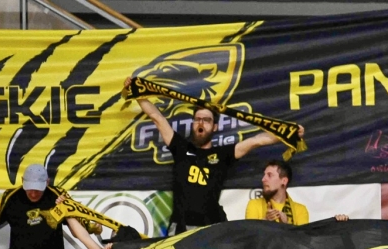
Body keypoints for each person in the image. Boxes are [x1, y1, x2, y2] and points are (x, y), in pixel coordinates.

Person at [126, 79, 299, 233]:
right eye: (197, 119)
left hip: (210, 230)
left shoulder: (223, 154)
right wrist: (136, 91)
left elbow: (257, 140)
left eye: (206, 120)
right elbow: (156, 117)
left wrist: (290, 133)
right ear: (193, 124)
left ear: (214, 127)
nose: (201, 123)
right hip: (180, 228)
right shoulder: (181, 147)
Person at [244, 160, 310, 225]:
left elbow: (301, 232)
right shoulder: (254, 204)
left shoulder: (301, 210)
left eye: (269, 175)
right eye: (264, 175)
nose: (263, 179)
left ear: (284, 181)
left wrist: (286, 224)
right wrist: (265, 221)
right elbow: (250, 231)